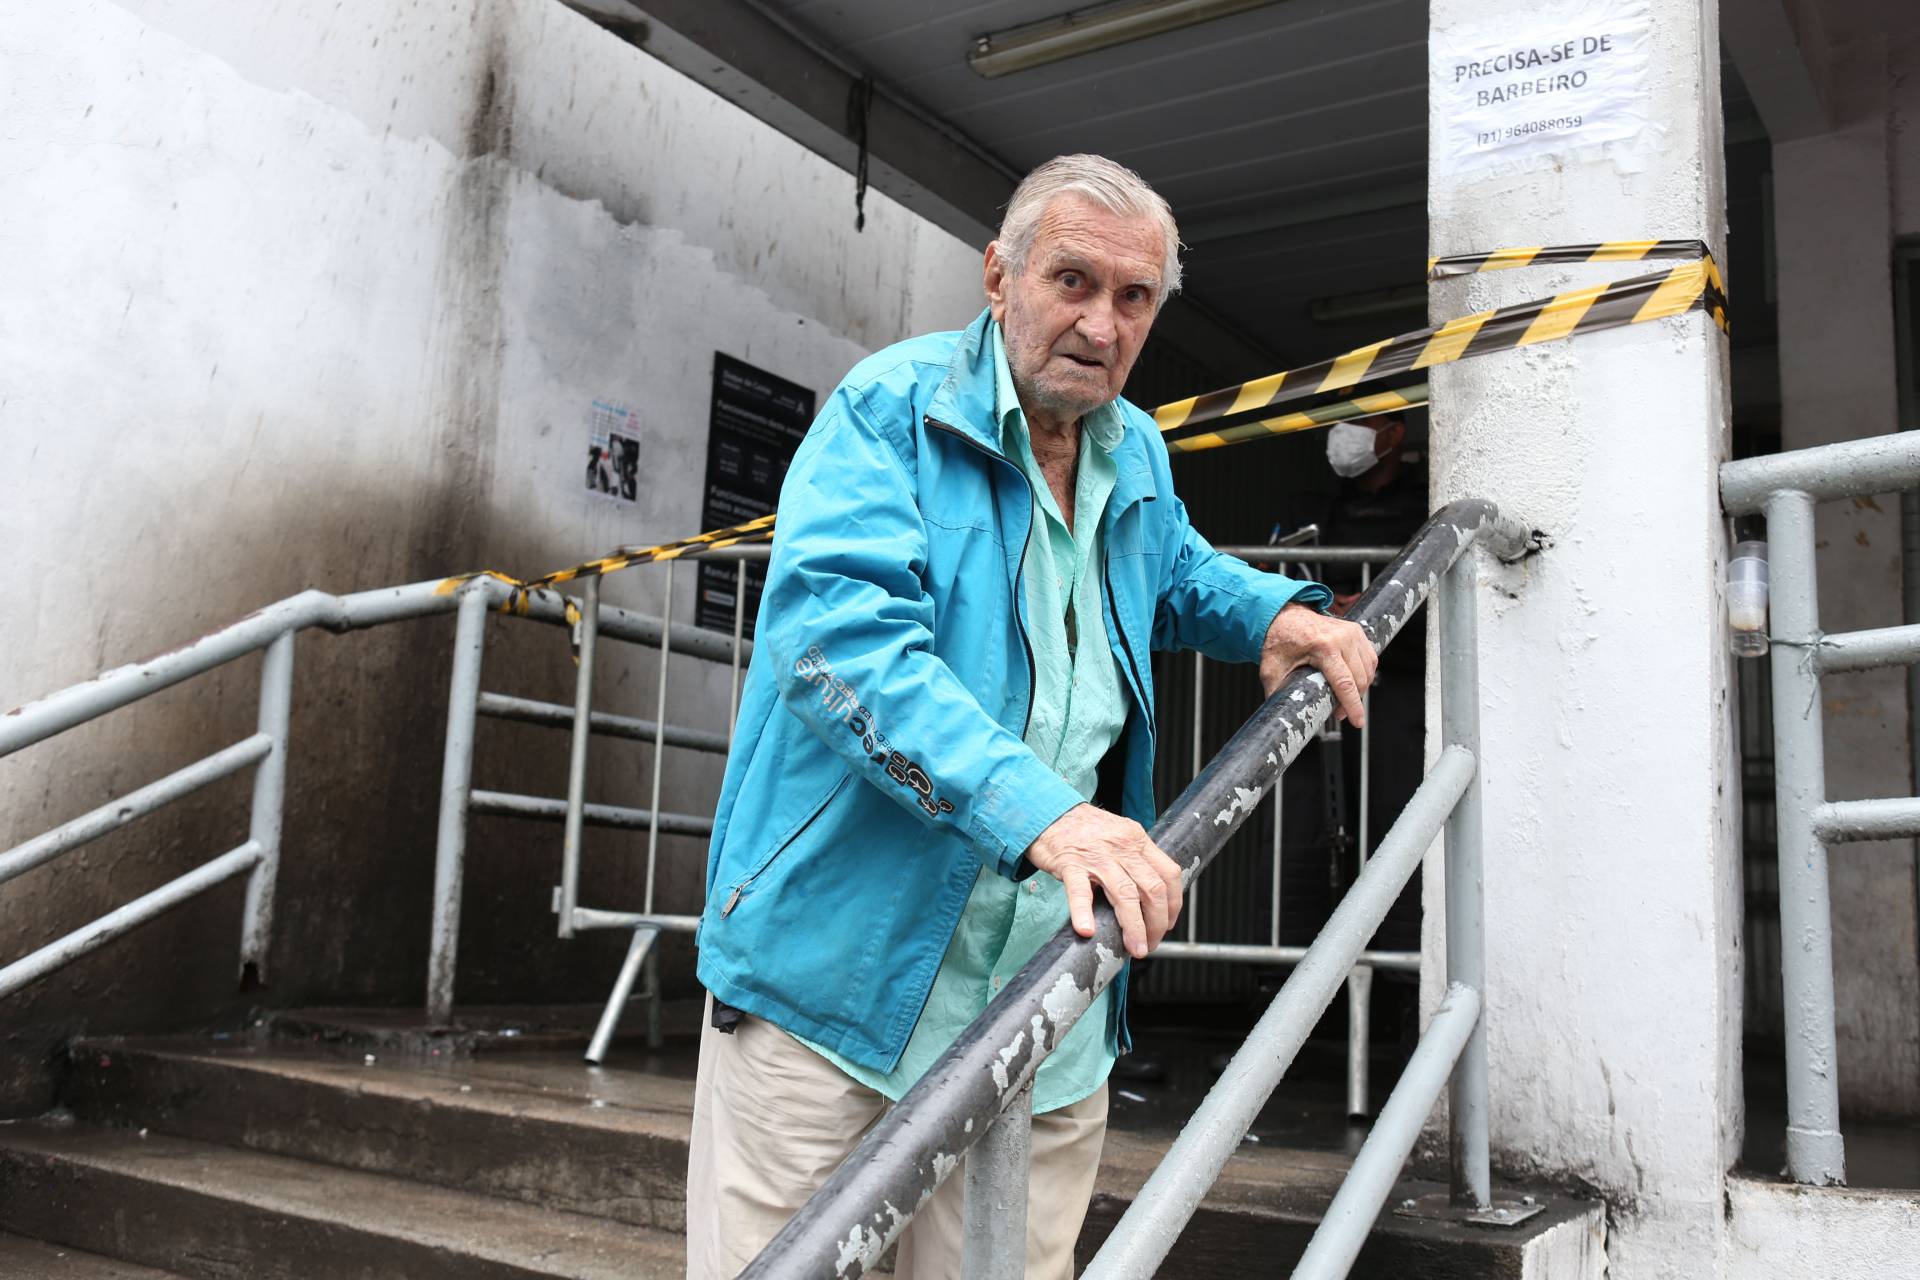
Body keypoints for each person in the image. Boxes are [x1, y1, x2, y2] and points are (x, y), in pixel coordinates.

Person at [686, 154, 1379, 1280]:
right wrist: (1045, 813)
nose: (1102, 324)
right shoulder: (887, 410)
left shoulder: (1132, 445)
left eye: (1134, 298)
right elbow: (842, 647)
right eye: (1073, 281)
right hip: (836, 993)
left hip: (1039, 1003)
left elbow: (1171, 568)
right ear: (999, 276)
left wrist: (1272, 616)